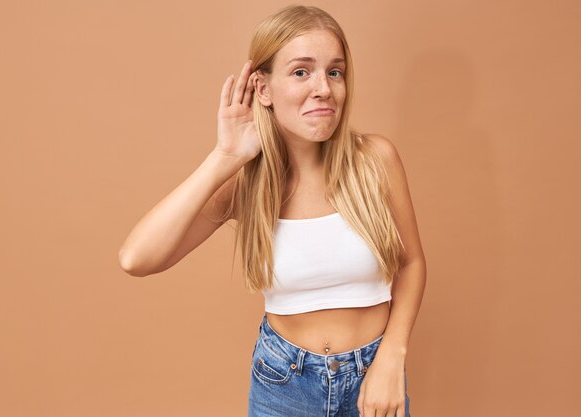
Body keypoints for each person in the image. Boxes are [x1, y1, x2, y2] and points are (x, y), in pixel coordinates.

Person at [118, 4, 426, 417]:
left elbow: (411, 264)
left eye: (334, 72)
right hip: (283, 384)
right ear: (263, 89)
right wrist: (224, 156)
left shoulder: (375, 159)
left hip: (374, 377)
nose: (323, 88)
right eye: (302, 72)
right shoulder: (246, 185)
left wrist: (393, 355)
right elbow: (137, 258)